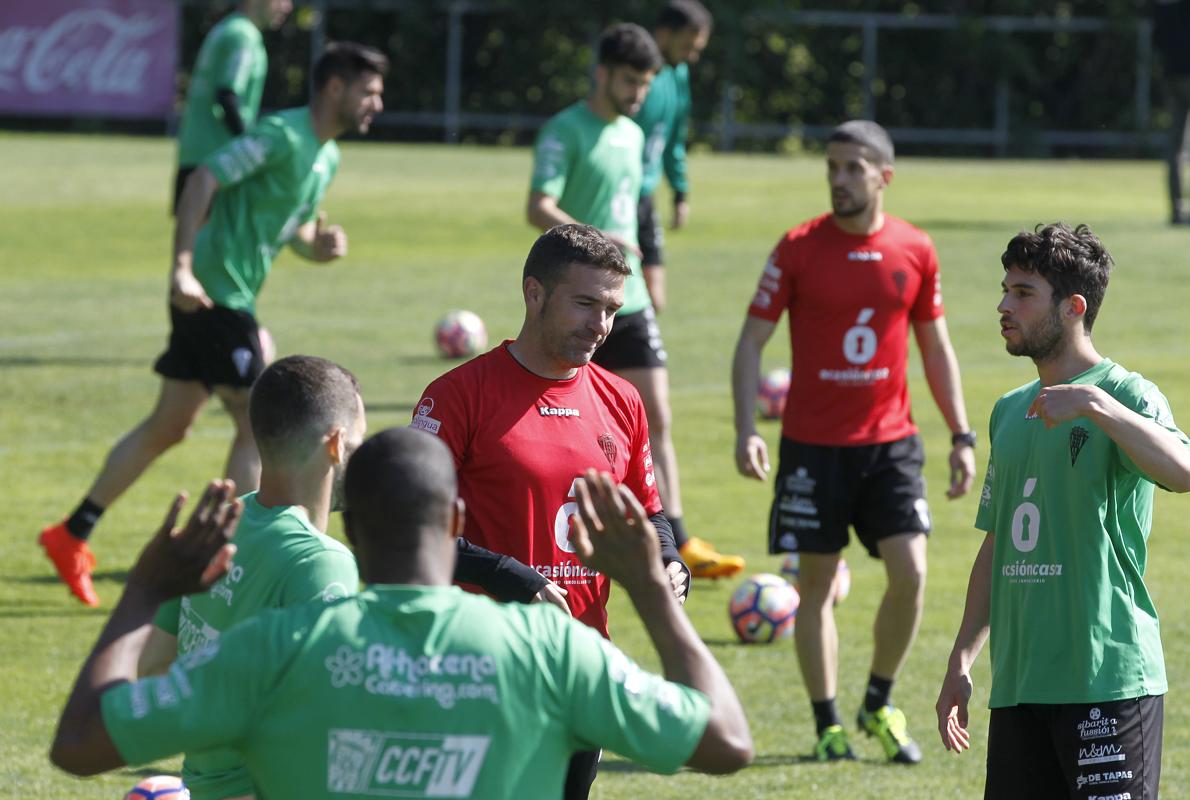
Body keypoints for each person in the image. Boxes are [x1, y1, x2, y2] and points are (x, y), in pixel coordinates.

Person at [48, 430, 754, 798]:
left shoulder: (274, 649)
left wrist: (144, 590)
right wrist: (652, 592)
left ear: (351, 534)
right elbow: (725, 741)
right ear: (457, 521)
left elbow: (79, 745)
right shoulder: (548, 648)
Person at [38, 43, 388, 607]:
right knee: (257, 421)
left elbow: (289, 224)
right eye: (369, 91)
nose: (377, 103)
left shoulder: (326, 157)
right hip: (212, 294)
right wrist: (180, 266)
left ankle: (71, 533)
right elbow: (203, 178)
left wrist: (315, 246)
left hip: (230, 295)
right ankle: (234, 556)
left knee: (169, 424)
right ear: (335, 88)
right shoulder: (280, 135)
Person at [137, 355, 557, 800]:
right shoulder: (319, 561)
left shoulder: (222, 522)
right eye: (357, 443)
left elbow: (154, 667)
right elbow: (331, 720)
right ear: (336, 445)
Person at [412, 223, 690, 798]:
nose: (601, 325)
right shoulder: (458, 395)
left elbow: (648, 511)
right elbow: (415, 529)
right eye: (585, 303)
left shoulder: (622, 399)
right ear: (534, 293)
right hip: (479, 667)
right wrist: (511, 577)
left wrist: (668, 559)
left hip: (582, 663)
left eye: (612, 308)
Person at [731, 120, 976, 763]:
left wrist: (961, 434)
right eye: (831, 168)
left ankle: (878, 702)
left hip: (891, 444)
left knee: (912, 573)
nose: (838, 180)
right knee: (814, 586)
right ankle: (827, 724)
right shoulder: (797, 248)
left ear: (883, 176)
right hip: (812, 447)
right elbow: (752, 340)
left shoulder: (916, 249)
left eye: (852, 169)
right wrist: (744, 430)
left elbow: (936, 347)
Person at [936, 223, 1190, 799]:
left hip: (1106, 679)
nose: (1003, 305)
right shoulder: (1009, 410)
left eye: (1023, 293)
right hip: (1021, 685)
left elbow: (1183, 472)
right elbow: (999, 543)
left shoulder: (1126, 394)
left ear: (1073, 307)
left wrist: (1097, 406)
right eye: (1005, 290)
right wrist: (962, 660)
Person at [528, 22, 739, 580]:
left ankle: (678, 538)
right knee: (561, 421)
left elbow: (639, 206)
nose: (638, 94)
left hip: (630, 297)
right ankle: (561, 538)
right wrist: (592, 240)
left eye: (645, 83)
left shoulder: (630, 134)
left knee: (658, 417)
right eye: (629, 81)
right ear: (601, 73)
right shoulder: (565, 129)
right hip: (575, 298)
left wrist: (652, 267)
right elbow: (537, 206)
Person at [629, 0, 743, 578]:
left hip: (642, 209)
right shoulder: (636, 78)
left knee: (654, 397)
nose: (696, 53)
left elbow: (673, 140)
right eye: (692, 42)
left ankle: (675, 533)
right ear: (668, 33)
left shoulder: (675, 79)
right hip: (616, 216)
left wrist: (680, 187)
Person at [175, 0, 294, 214]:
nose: (287, 7)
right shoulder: (243, 36)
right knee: (211, 243)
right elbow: (227, 96)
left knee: (193, 240)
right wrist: (250, 149)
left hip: (195, 152)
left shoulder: (226, 28)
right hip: (218, 161)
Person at [1155, 0, 1190, 225]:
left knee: (1175, 147)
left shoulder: (1164, 7)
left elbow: (1156, 40)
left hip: (1172, 75)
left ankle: (1177, 209)